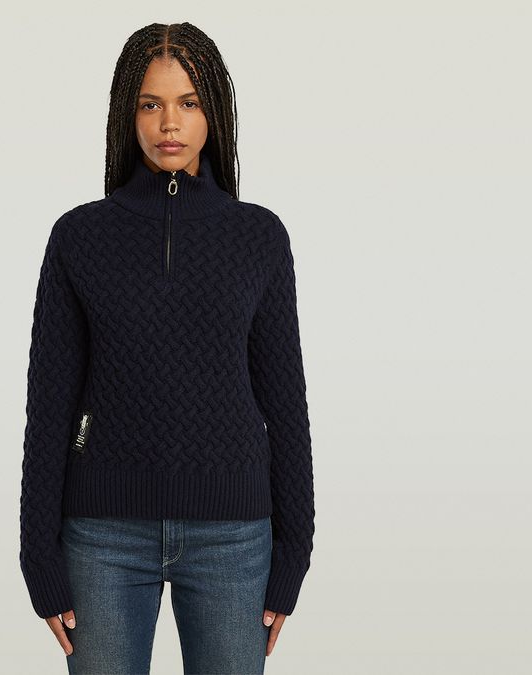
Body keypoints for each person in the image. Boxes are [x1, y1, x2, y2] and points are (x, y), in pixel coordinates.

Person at [18, 22, 316, 674]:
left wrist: (295, 551)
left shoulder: (259, 237)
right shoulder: (79, 237)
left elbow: (285, 405)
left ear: (215, 113)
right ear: (127, 114)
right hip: (101, 537)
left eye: (188, 102)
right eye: (150, 104)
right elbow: (50, 407)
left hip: (234, 539)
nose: (169, 123)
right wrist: (37, 555)